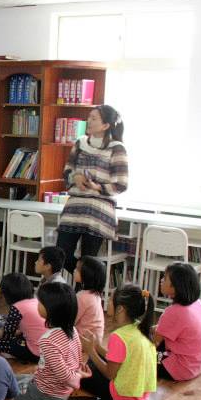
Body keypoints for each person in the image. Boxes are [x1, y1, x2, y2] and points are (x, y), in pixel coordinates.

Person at [55, 105, 128, 274]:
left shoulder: (117, 148)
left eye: (94, 118)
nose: (89, 121)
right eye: (89, 117)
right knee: (61, 254)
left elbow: (121, 184)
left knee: (88, 259)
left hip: (98, 210)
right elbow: (67, 170)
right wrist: (75, 177)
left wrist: (98, 187)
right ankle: (88, 278)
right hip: (74, 207)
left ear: (105, 125)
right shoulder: (80, 143)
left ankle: (86, 285)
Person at [11, 282, 86, 400]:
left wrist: (78, 376)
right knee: (10, 379)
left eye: (40, 301)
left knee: (3, 399)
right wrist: (78, 372)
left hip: (46, 396)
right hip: (58, 391)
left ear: (51, 308)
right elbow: (77, 358)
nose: (37, 303)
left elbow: (66, 377)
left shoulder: (48, 341)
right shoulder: (72, 330)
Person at [80, 285, 157, 400]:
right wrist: (97, 347)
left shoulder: (119, 336)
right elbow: (121, 359)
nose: (107, 302)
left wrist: (91, 351)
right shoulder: (140, 327)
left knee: (82, 372)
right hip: (140, 393)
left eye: (110, 299)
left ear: (120, 308)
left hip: (121, 394)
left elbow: (109, 374)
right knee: (93, 362)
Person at [154, 262, 201, 381]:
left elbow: (154, 342)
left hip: (182, 368)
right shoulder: (197, 303)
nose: (161, 280)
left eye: (165, 278)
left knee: (137, 357)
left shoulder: (174, 312)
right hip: (197, 364)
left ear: (175, 287)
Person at [0, 273, 47, 364]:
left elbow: (7, 335)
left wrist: (1, 333)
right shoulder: (36, 301)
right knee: (18, 336)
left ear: (8, 294)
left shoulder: (16, 307)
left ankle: (15, 354)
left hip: (37, 354)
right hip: (49, 350)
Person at [74, 255, 106, 345]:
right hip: (96, 340)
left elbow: (71, 320)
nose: (74, 271)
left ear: (87, 275)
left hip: (86, 342)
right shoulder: (95, 294)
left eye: (77, 269)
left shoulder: (82, 297)